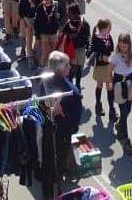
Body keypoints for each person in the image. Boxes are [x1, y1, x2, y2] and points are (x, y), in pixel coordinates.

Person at [40, 51, 83, 199]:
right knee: (57, 161)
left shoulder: (46, 80)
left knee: (51, 159)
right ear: (59, 69)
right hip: (62, 131)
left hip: (49, 129)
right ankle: (56, 190)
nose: (70, 67)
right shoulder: (68, 91)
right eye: (67, 65)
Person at [110, 33, 132, 157]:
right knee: (124, 111)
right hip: (119, 85)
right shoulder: (115, 56)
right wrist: (110, 83)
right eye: (121, 42)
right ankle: (125, 140)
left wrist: (127, 59)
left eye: (125, 42)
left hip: (129, 84)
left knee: (128, 110)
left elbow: (129, 69)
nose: (122, 44)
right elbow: (110, 70)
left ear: (129, 44)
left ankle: (120, 125)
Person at [89, 18, 116, 120]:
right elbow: (93, 51)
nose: (110, 29)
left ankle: (111, 110)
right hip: (100, 66)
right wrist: (101, 56)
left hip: (108, 65)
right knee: (100, 84)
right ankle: (99, 106)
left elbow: (111, 49)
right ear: (103, 28)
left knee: (109, 86)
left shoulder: (108, 37)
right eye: (109, 27)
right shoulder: (96, 38)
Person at [59, 3, 89, 91]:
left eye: (69, 13)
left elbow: (88, 36)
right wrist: (69, 35)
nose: (68, 15)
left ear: (76, 13)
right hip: (71, 49)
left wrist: (88, 47)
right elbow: (63, 33)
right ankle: (70, 83)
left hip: (81, 48)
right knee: (72, 67)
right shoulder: (68, 24)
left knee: (79, 67)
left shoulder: (84, 23)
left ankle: (78, 84)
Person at [34, 0, 60, 67]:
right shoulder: (40, 7)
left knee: (53, 53)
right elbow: (36, 23)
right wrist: (37, 36)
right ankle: (41, 70)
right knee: (46, 52)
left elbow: (64, 16)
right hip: (43, 33)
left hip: (53, 33)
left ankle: (51, 70)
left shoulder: (56, 5)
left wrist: (58, 18)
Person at [18, 0, 40, 65]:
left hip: (37, 18)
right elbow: (20, 7)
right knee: (26, 36)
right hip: (26, 18)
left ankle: (33, 53)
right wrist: (22, 19)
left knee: (38, 37)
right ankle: (25, 53)